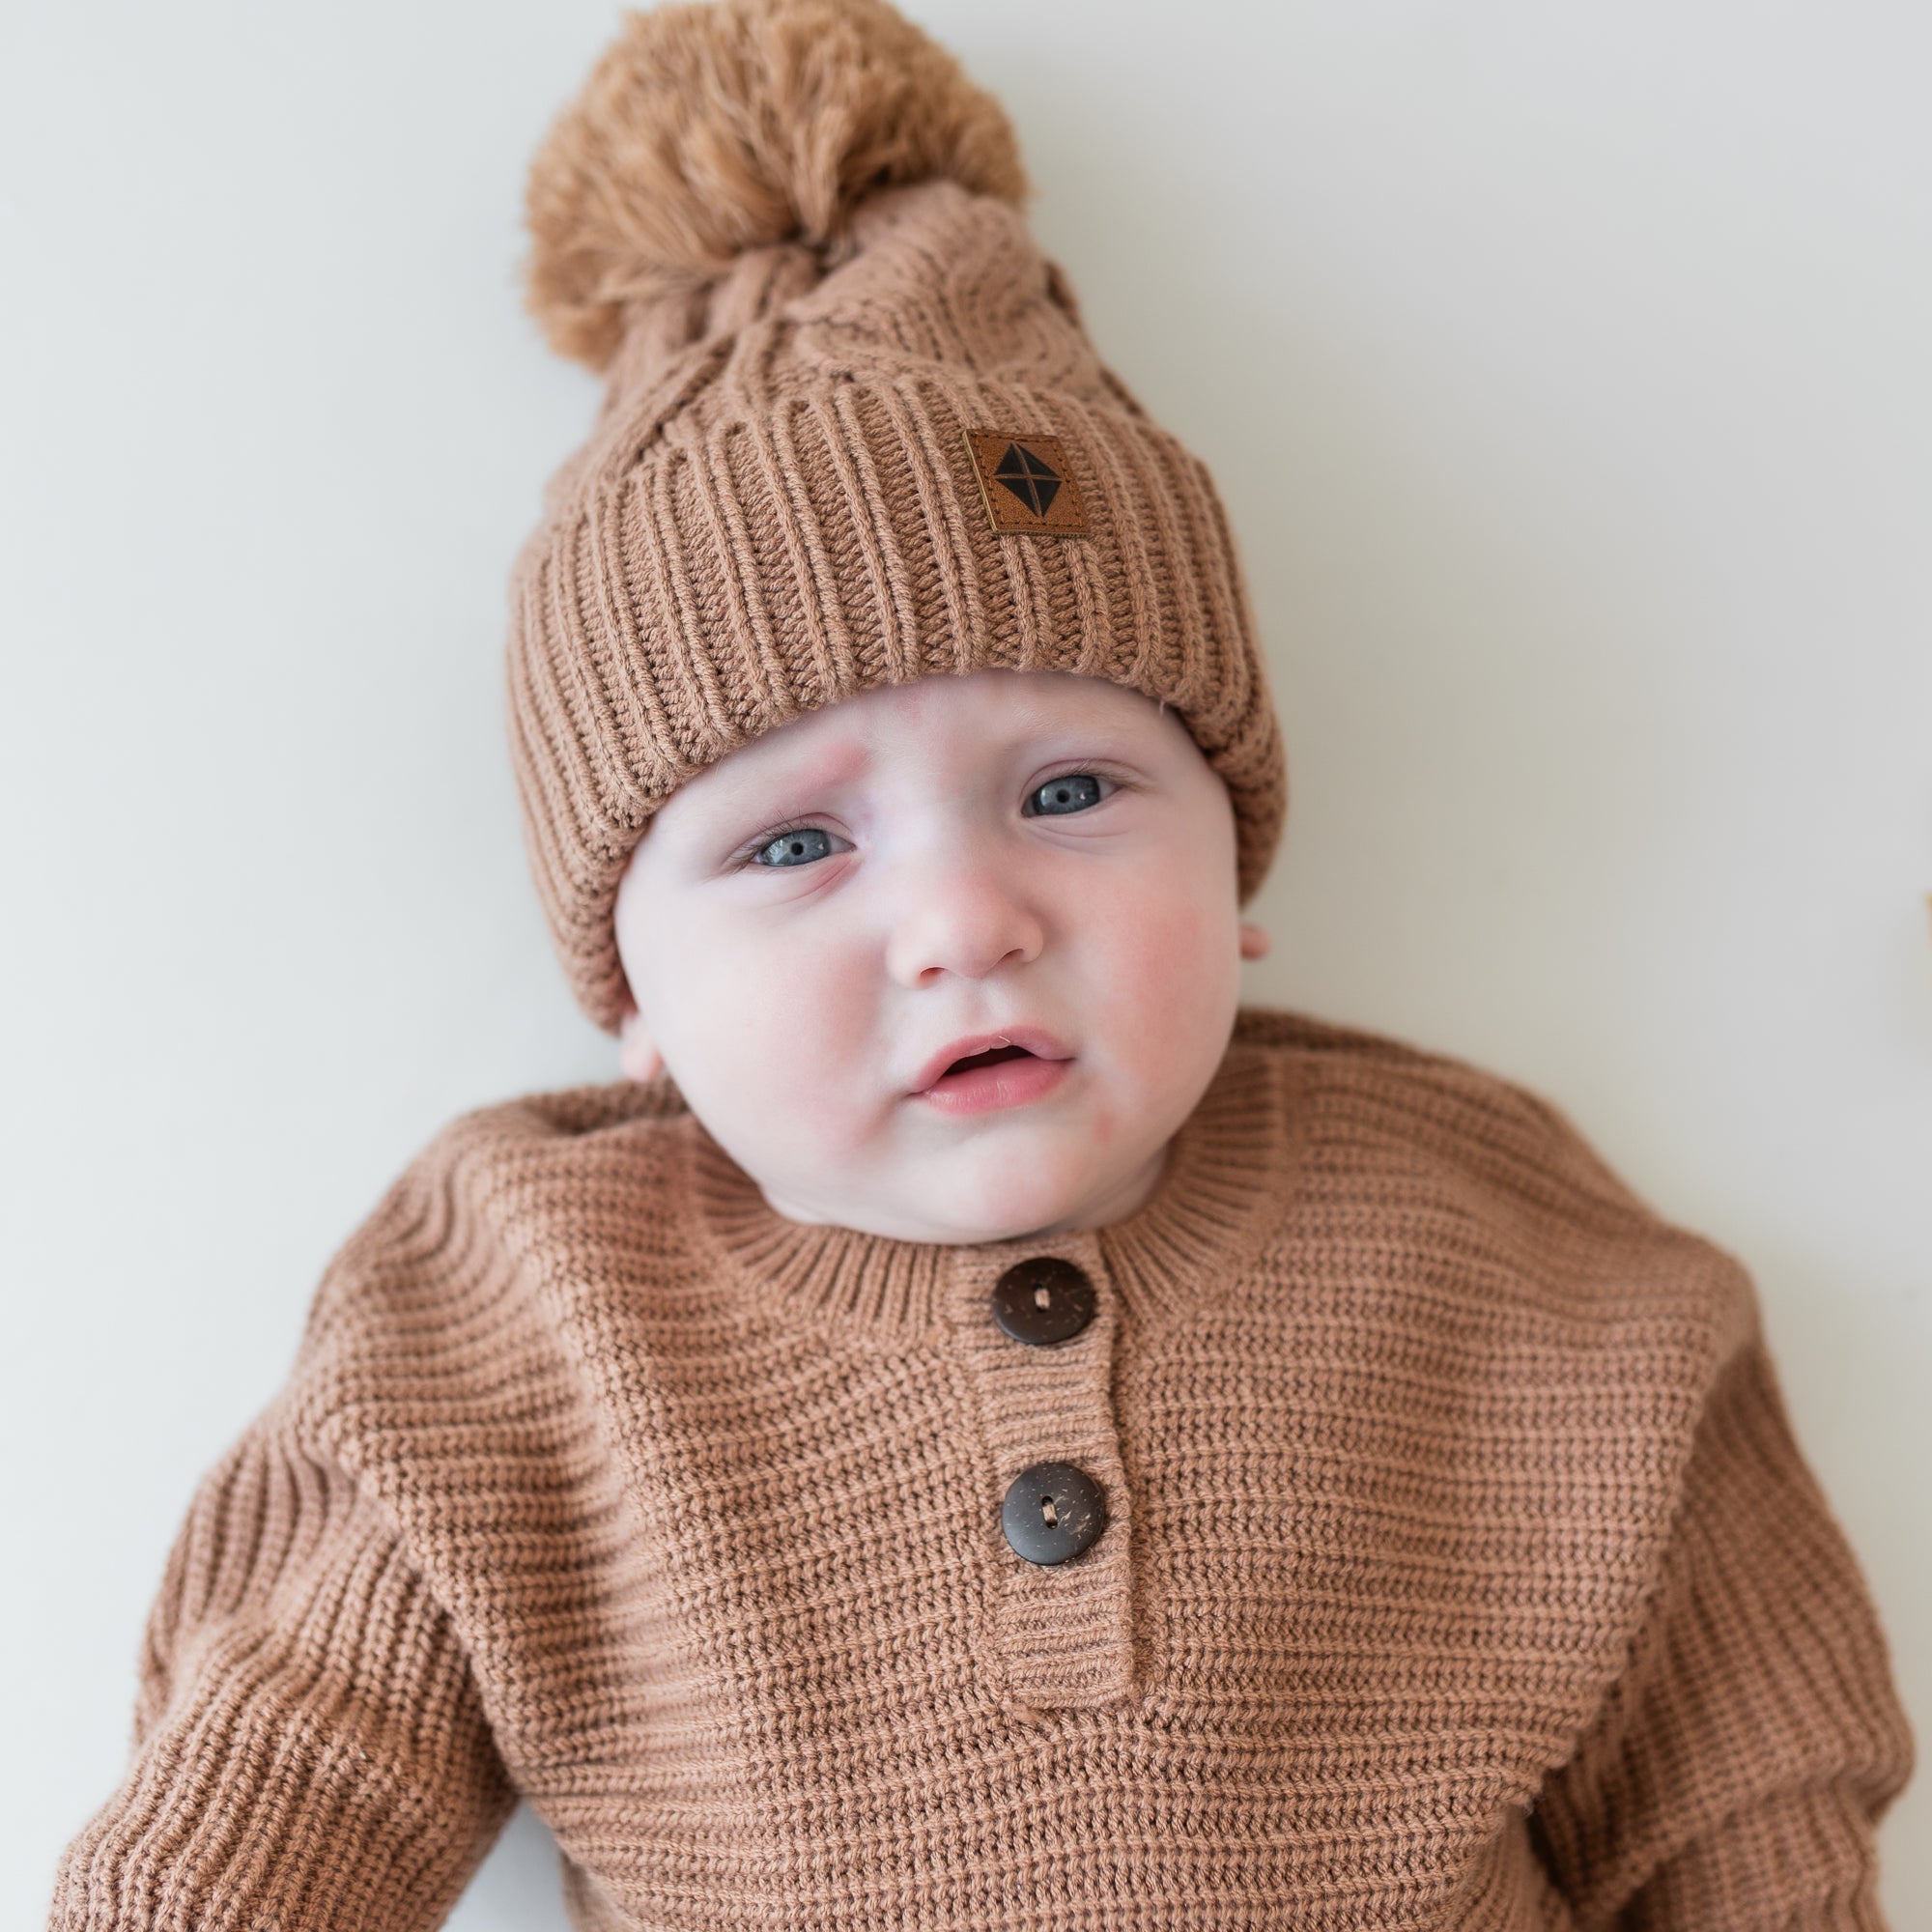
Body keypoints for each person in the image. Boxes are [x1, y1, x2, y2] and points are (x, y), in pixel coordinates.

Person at [48, 0, 1911, 1924]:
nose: (962, 921)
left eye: (1072, 791)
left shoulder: (1509, 1264)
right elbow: (274, 1791)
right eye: (795, 846)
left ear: (1237, 861)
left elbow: (1745, 1818)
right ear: (635, 1001)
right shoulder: (514, 1325)